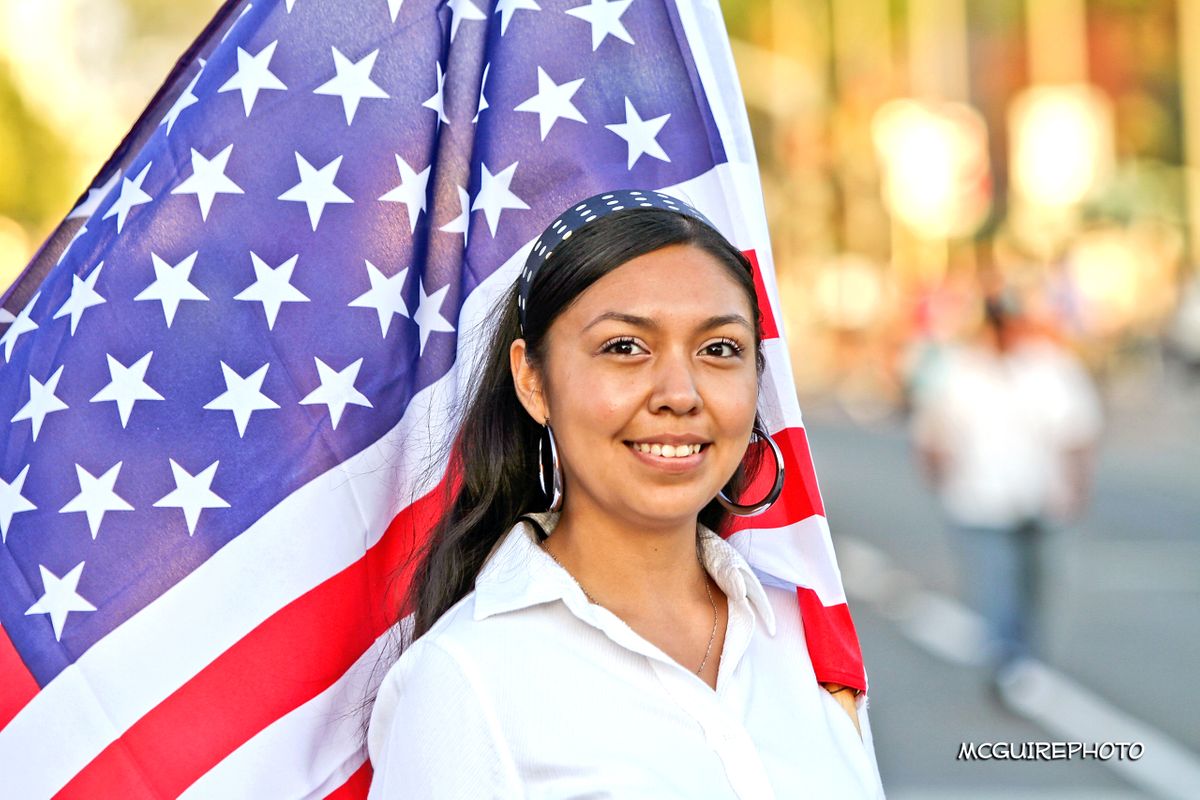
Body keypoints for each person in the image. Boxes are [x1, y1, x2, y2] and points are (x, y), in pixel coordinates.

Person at [366, 190, 886, 798]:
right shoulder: (465, 679)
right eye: (624, 347)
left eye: (719, 349)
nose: (680, 392)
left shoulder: (806, 639)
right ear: (532, 380)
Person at [911, 287, 1103, 694]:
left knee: (1036, 584)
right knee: (996, 584)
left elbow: (1079, 431)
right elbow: (931, 433)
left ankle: (1028, 656)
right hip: (980, 501)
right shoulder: (960, 371)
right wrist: (940, 477)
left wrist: (1077, 487)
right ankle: (1008, 665)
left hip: (1041, 499)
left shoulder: (1051, 369)